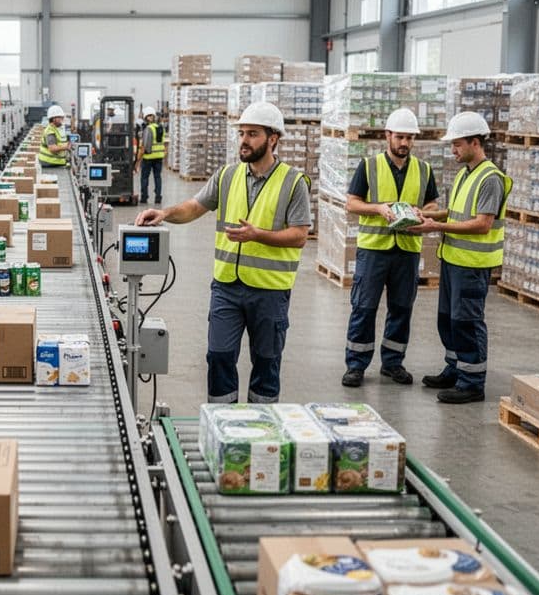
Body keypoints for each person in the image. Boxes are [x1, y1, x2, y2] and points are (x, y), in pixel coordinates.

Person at [136, 102, 311, 403]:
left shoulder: (293, 182)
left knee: (267, 363)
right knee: (218, 356)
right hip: (227, 287)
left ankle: (261, 428)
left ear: (273, 139)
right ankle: (223, 427)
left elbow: (299, 236)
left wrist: (259, 236)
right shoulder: (227, 176)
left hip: (269, 291)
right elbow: (194, 207)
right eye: (242, 133)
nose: (244, 140)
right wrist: (164, 213)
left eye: (252, 134)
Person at [406, 111, 511, 404]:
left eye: (457, 144)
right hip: (453, 260)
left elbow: (482, 224)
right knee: (447, 319)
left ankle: (472, 382)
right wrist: (424, 213)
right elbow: (454, 212)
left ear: (475, 142)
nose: (453, 150)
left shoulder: (490, 179)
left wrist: (436, 226)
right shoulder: (467, 174)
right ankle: (454, 369)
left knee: (467, 321)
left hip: (472, 265)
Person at [342, 108, 439, 388]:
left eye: (409, 138)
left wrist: (423, 211)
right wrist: (378, 209)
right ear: (387, 136)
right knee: (364, 306)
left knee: (401, 307)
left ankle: (393, 363)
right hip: (374, 249)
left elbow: (432, 203)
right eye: (400, 137)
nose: (404, 143)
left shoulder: (423, 169)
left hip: (407, 250)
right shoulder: (369, 165)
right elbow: (351, 203)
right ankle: (356, 365)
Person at [135, 106, 165, 205]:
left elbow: (145, 146)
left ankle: (144, 197)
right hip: (159, 157)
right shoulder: (160, 127)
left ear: (146, 117)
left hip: (148, 157)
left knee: (144, 178)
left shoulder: (149, 128)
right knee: (157, 177)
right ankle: (158, 197)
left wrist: (138, 160)